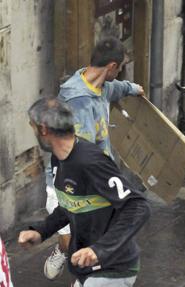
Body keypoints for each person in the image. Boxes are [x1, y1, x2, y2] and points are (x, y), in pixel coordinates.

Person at [19, 98, 150, 286]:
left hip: (111, 268)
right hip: (87, 269)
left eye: (32, 127)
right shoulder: (59, 158)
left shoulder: (90, 161)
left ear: (43, 130)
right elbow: (69, 204)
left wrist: (99, 250)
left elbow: (138, 206)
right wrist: (41, 231)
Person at [44, 37, 145, 280]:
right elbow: (82, 152)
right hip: (70, 179)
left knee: (93, 237)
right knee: (73, 237)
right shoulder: (77, 100)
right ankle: (63, 251)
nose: (118, 72)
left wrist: (134, 88)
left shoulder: (102, 87)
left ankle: (83, 275)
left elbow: (118, 88)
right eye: (119, 68)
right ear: (111, 66)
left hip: (96, 179)